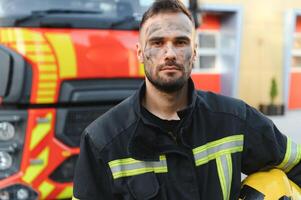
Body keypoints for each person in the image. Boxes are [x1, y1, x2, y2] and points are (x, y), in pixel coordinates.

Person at [72, 0, 301, 199]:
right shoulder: (102, 141)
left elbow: (296, 163)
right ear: (141, 52)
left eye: (180, 42)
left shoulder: (235, 120)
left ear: (195, 52)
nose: (170, 53)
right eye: (157, 42)